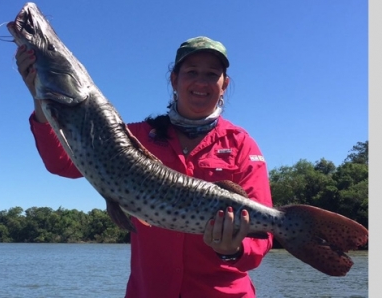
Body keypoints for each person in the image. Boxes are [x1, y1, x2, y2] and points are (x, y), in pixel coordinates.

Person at [14, 36, 274, 298]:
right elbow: (62, 163)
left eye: (211, 74)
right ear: (174, 80)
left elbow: (261, 240)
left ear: (224, 84)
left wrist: (234, 250)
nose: (201, 82)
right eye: (192, 72)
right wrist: (40, 97)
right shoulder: (133, 136)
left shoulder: (242, 145)